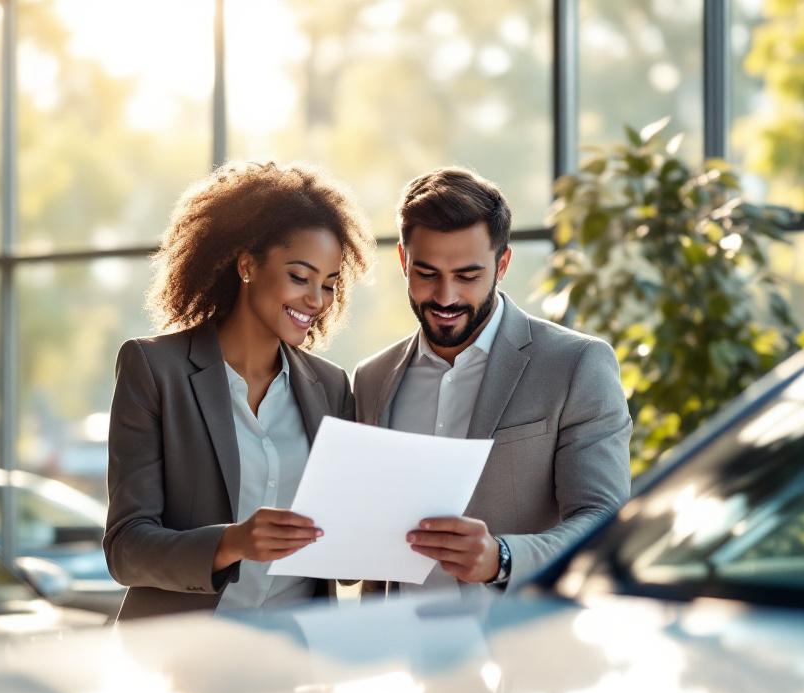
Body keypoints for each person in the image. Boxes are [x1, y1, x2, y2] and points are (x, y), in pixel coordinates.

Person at [105, 161, 373, 622]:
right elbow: (126, 549)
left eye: (329, 285)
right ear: (247, 264)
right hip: (181, 658)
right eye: (299, 276)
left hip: (295, 658)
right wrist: (232, 542)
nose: (316, 300)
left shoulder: (330, 387)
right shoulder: (154, 370)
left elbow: (343, 559)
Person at [353, 167, 631, 599]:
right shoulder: (372, 379)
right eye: (426, 274)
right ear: (404, 261)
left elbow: (601, 520)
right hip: (398, 651)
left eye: (467, 276)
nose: (445, 297)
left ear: (502, 263)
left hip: (519, 648)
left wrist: (501, 558)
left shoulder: (575, 364)